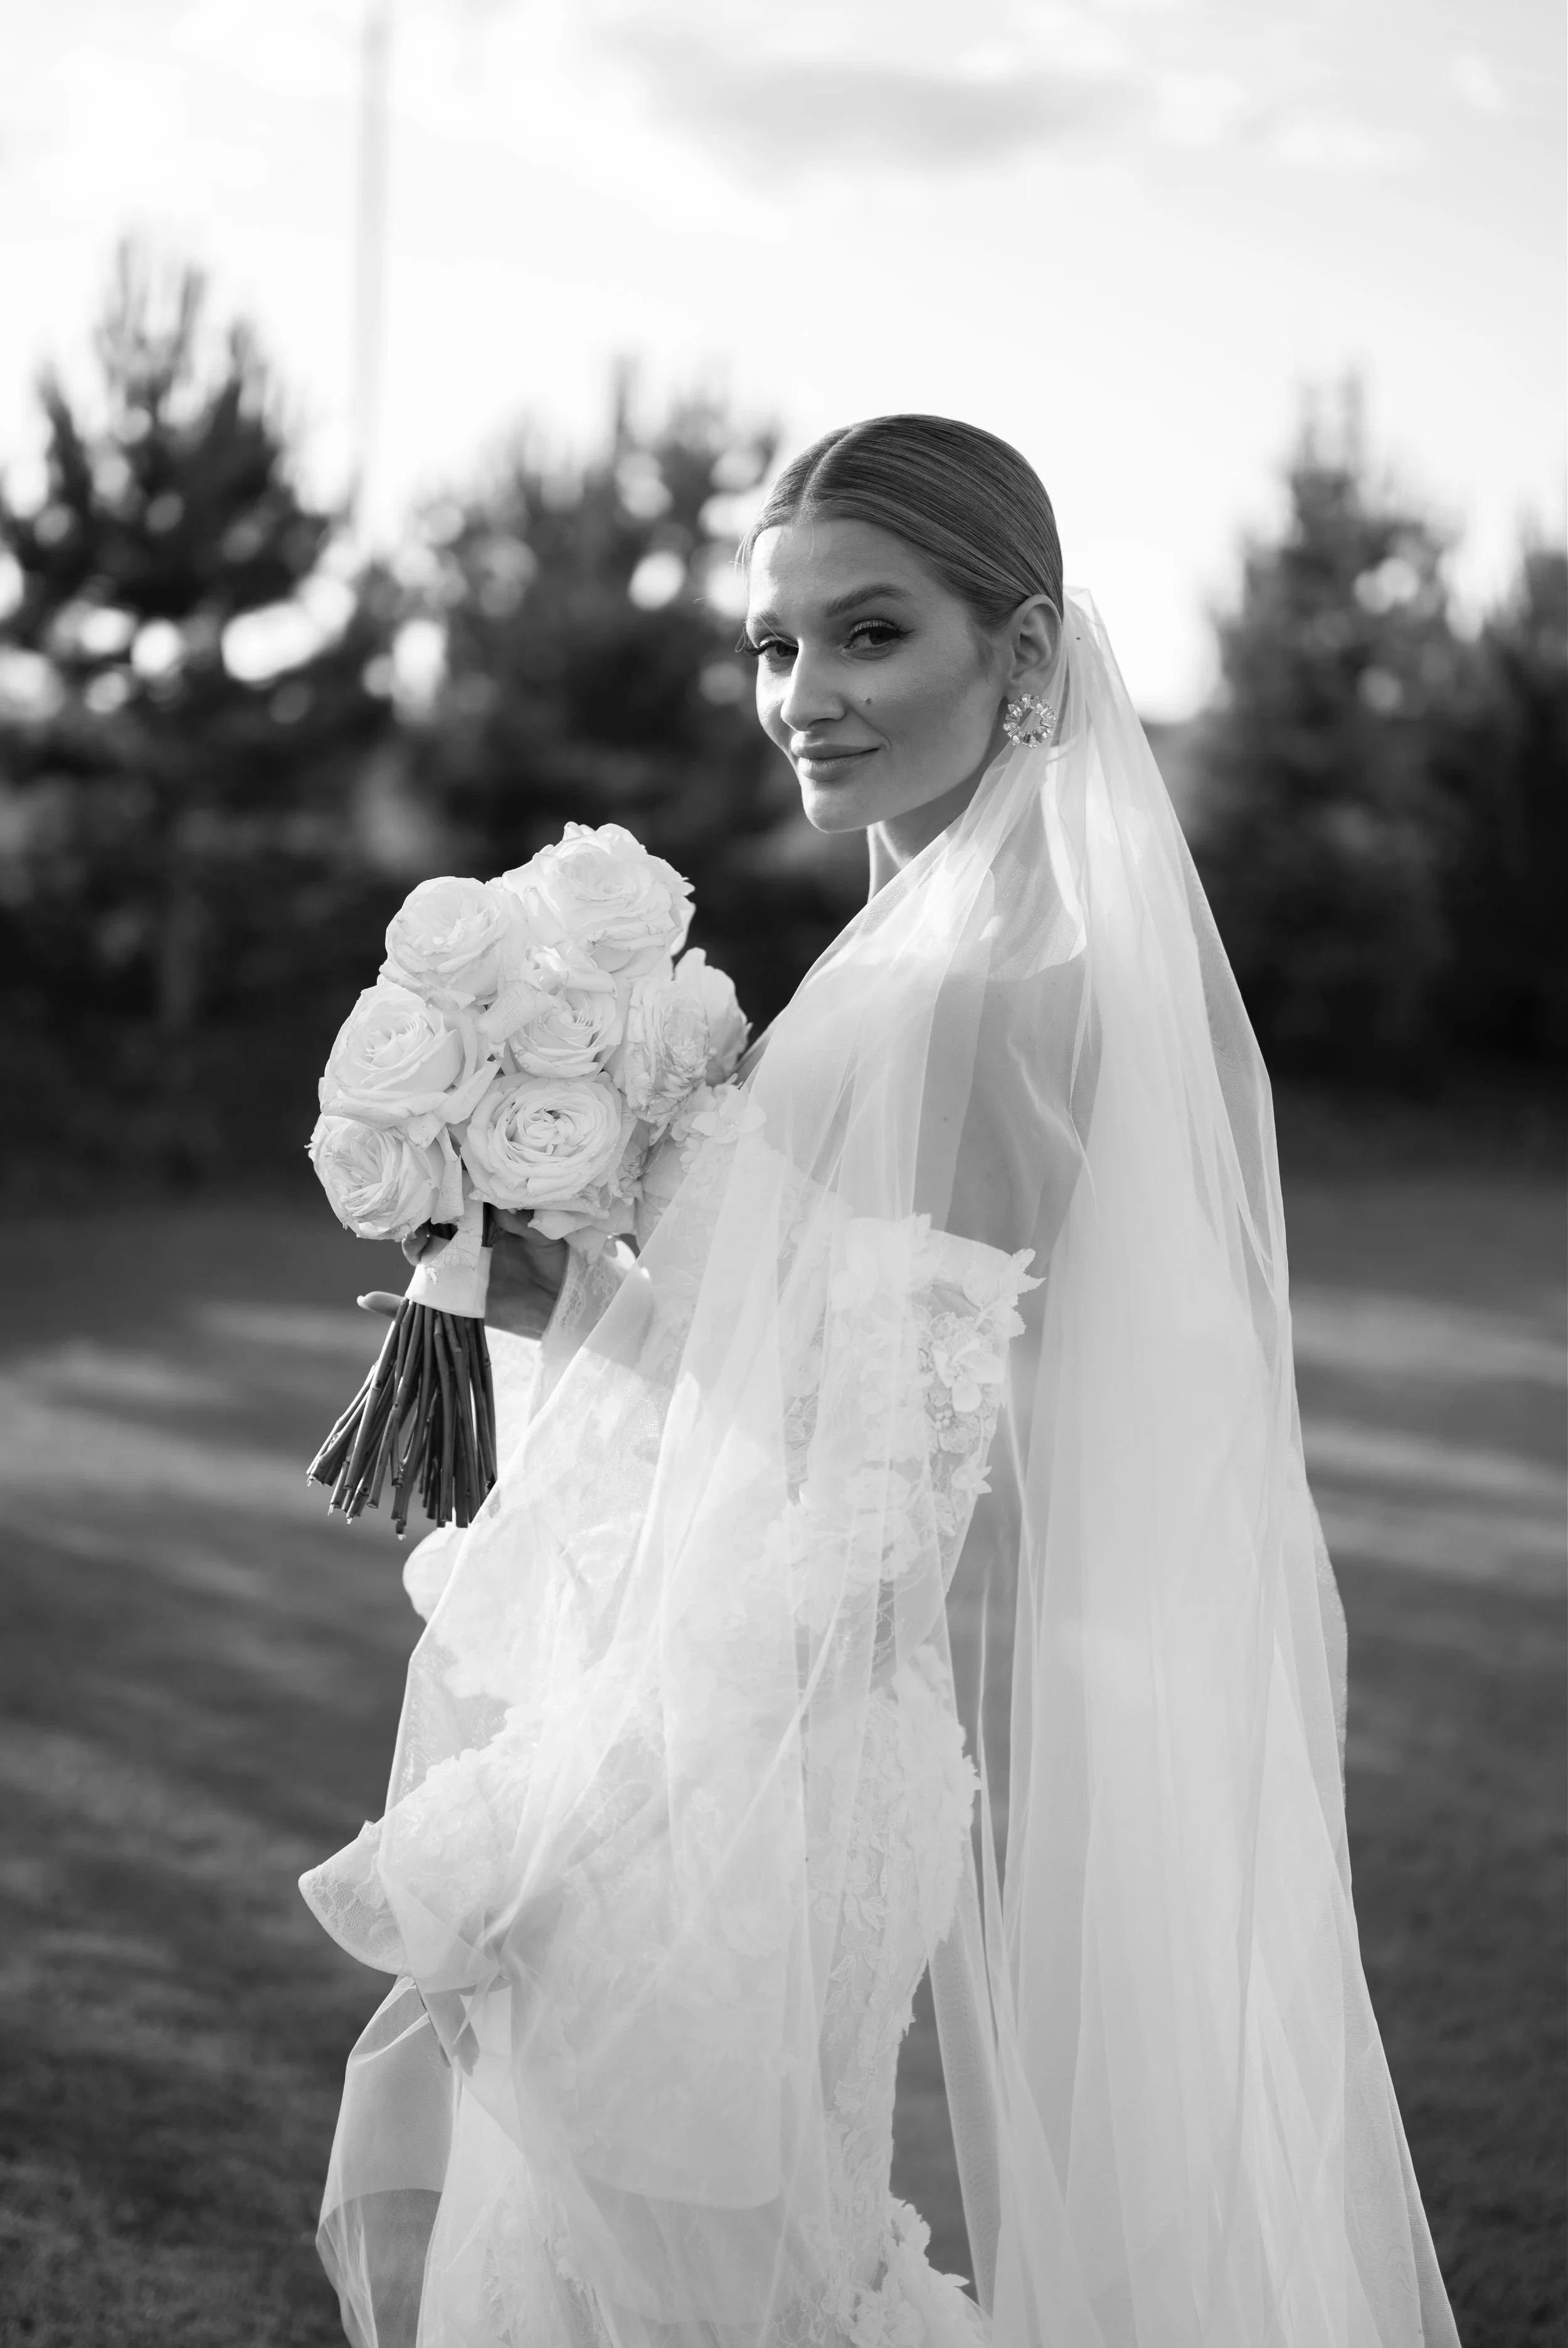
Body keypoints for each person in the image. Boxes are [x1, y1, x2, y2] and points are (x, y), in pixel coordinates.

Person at [303, 415, 1459, 2347]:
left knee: (694, 2291)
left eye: (867, 634)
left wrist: (564, 1822)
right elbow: (789, 1395)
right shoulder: (903, 964)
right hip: (741, 1734)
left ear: (1023, 653)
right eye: (774, 644)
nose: (801, 696)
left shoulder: (992, 1001)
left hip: (752, 1772)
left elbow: (872, 1512)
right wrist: (564, 1296)